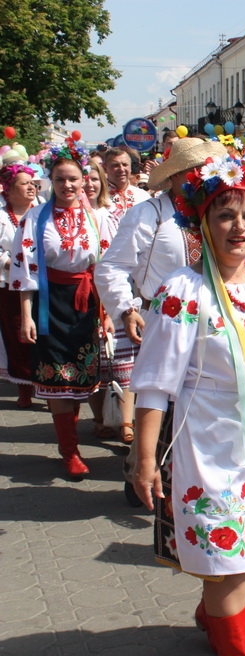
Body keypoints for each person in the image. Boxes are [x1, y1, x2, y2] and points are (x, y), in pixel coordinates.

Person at [130, 152, 245, 656]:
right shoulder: (183, 291)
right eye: (225, 215)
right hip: (205, 437)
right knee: (224, 553)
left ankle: (213, 617)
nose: (239, 227)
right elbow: (153, 384)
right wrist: (145, 460)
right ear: (202, 223)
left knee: (243, 553)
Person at [95, 138, 229, 506]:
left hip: (214, 319)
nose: (199, 175)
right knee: (158, 399)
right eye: (191, 169)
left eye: (204, 168)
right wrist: (126, 308)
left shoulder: (220, 209)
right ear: (173, 176)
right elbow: (111, 268)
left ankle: (194, 481)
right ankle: (139, 469)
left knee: (201, 401)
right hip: (164, 319)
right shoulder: (149, 213)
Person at [10, 139, 102, 478]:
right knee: (55, 379)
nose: (67, 186)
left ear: (84, 180)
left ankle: (72, 438)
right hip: (50, 303)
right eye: (61, 179)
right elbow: (25, 268)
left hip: (85, 302)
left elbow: (104, 266)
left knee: (79, 380)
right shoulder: (35, 218)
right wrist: (26, 316)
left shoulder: (96, 217)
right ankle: (70, 452)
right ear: (50, 180)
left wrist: (106, 312)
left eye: (73, 179)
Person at [83, 162, 136, 443]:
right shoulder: (66, 215)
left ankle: (126, 421)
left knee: (122, 356)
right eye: (84, 179)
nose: (89, 184)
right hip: (80, 293)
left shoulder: (112, 214)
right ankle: (101, 418)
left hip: (112, 290)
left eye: (94, 179)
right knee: (95, 359)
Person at [0, 163, 39, 407]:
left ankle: (45, 383)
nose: (31, 187)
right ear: (9, 190)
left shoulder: (44, 210)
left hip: (42, 284)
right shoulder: (2, 216)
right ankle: (24, 386)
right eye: (24, 184)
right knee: (17, 334)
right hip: (9, 285)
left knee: (43, 333)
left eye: (33, 183)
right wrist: (10, 264)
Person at [103, 147, 151, 223]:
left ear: (130, 168)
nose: (121, 169)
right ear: (105, 168)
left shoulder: (143, 196)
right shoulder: (99, 196)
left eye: (125, 165)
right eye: (115, 165)